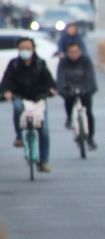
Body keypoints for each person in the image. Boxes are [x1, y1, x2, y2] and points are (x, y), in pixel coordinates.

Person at [0, 37, 57, 172]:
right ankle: (19, 136)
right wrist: (6, 92)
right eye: (22, 48)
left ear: (33, 49)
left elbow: (50, 81)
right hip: (20, 96)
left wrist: (52, 89)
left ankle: (43, 162)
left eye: (28, 48)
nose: (25, 51)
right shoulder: (13, 64)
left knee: (44, 130)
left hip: (38, 98)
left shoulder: (40, 63)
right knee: (17, 106)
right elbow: (6, 81)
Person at [57, 42, 98, 150]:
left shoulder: (86, 60)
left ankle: (90, 138)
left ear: (80, 51)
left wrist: (92, 88)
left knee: (89, 113)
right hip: (69, 88)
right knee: (68, 101)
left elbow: (91, 75)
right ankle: (69, 117)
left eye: (76, 51)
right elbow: (60, 77)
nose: (73, 54)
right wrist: (62, 90)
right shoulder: (63, 62)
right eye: (71, 52)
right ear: (67, 53)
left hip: (84, 88)